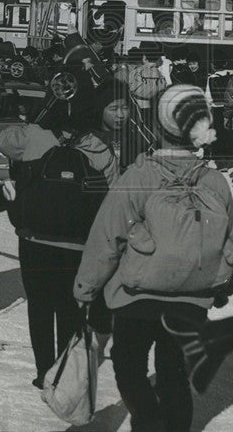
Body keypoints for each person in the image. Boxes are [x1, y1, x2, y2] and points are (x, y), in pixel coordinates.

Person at [75, 84, 233, 432]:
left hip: (137, 295)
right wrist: (220, 281)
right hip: (191, 297)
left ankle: (148, 421)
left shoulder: (139, 177)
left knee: (128, 365)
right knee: (174, 373)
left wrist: (86, 289)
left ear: (158, 128)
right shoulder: (216, 183)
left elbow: (107, 238)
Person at [0, 80, 126, 388]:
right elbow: (114, 199)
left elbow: (2, 140)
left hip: (34, 240)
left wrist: (41, 119)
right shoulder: (99, 147)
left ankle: (43, 372)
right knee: (69, 307)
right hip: (78, 244)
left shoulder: (34, 137)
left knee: (39, 307)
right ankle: (64, 372)